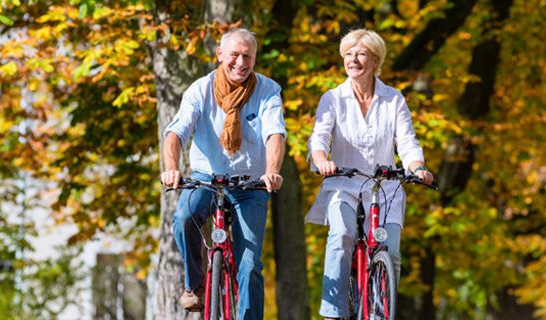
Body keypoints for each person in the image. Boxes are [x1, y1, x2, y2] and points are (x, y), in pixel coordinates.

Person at [306, 29, 434, 320]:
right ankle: (333, 313)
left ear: (376, 61)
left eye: (361, 54)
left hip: (384, 187)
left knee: (391, 253)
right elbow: (319, 138)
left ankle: (379, 313)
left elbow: (407, 142)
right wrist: (321, 160)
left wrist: (418, 167)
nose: (353, 60)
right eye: (349, 54)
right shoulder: (333, 98)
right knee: (341, 236)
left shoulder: (394, 99)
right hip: (343, 184)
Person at [160, 28, 286, 319]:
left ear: (255, 59)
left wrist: (272, 172)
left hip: (251, 184)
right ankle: (195, 285)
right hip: (207, 177)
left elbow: (275, 135)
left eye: (247, 56)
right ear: (220, 55)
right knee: (183, 218)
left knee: (250, 265)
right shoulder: (200, 90)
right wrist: (171, 169)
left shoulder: (268, 90)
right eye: (234, 55)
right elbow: (175, 135)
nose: (240, 63)